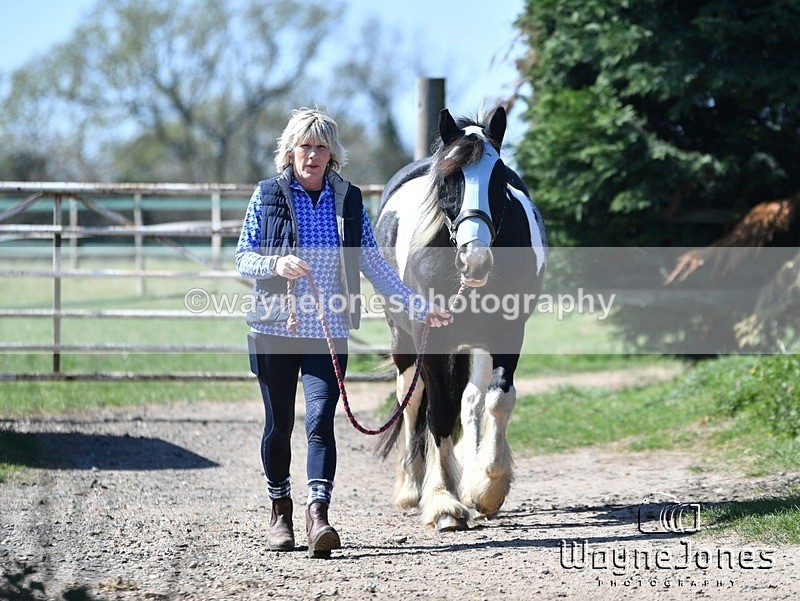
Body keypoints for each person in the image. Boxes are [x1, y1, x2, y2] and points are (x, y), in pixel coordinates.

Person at [235, 107, 452, 559]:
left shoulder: (349, 200)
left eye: (320, 147)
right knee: (278, 425)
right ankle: (280, 510)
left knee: (319, 422)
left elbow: (373, 262)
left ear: (332, 153)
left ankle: (318, 515)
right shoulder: (268, 195)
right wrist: (276, 263)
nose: (312, 155)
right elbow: (243, 257)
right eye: (304, 146)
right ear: (290, 151)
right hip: (275, 328)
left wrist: (417, 305)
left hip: (328, 332)